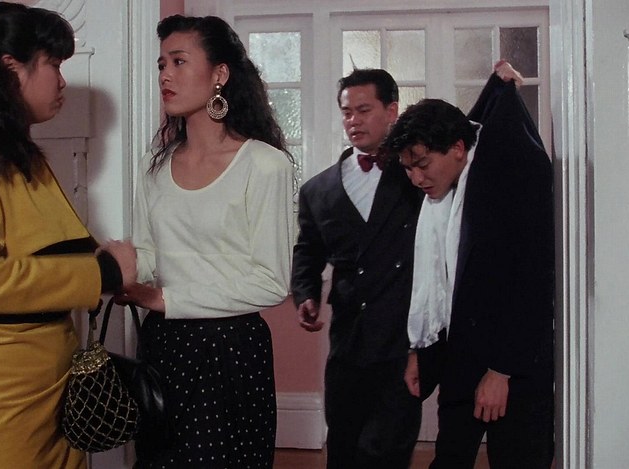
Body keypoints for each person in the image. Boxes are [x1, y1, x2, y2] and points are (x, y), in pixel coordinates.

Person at [0, 3, 136, 467]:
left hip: (53, 384)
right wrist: (101, 274)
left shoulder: (12, 145)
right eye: (53, 63)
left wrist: (106, 260)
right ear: (10, 66)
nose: (61, 81)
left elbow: (44, 245)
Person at [116, 14, 296, 469]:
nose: (165, 75)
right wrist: (117, 270)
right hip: (162, 344)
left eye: (179, 61)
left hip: (230, 351)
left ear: (220, 74)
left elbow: (271, 282)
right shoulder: (153, 167)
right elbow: (150, 256)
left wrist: (164, 298)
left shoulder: (264, 165)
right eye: (161, 64)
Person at [383, 61, 554, 468]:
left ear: (458, 149)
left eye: (422, 164)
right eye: (408, 168)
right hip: (460, 352)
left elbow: (532, 276)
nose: (416, 179)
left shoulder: (512, 170)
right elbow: (444, 282)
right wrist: (419, 351)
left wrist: (502, 370)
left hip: (513, 362)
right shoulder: (454, 175)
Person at [291, 68, 424, 468]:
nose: (353, 121)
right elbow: (308, 250)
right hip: (348, 339)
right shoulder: (318, 190)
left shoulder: (417, 176)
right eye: (347, 112)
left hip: (402, 338)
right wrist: (306, 293)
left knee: (387, 449)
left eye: (364, 110)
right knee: (344, 445)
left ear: (391, 111)